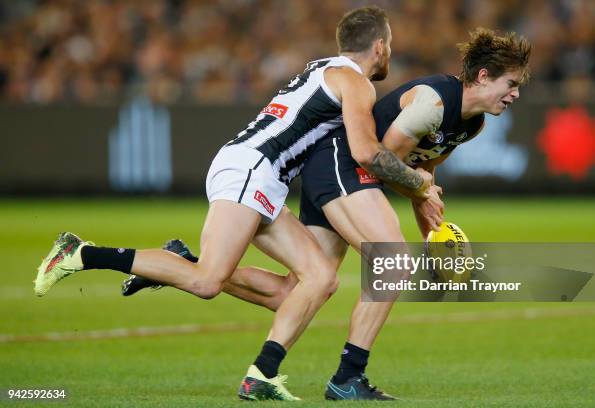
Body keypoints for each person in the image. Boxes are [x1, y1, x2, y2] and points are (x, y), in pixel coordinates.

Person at [34, 6, 434, 401]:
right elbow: (365, 151)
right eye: (391, 45)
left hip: (261, 175)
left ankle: (260, 373)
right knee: (207, 282)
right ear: (379, 46)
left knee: (310, 283)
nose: (391, 53)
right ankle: (83, 253)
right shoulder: (356, 82)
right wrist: (418, 185)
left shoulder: (322, 68)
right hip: (252, 168)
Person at [122, 27, 531, 400]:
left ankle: (184, 268)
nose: (514, 94)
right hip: (345, 164)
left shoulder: (470, 123)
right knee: (391, 261)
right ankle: (348, 377)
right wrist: (421, 190)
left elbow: (422, 176)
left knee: (296, 286)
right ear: (482, 76)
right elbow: (382, 159)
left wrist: (432, 235)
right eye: (510, 84)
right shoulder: (434, 102)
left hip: (338, 171)